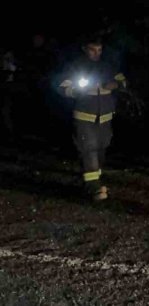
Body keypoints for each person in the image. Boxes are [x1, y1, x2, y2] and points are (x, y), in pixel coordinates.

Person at [58, 38, 127, 201]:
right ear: (84, 49)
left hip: (105, 116)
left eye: (99, 50)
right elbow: (61, 87)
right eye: (92, 50)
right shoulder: (75, 66)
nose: (96, 53)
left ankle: (91, 181)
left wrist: (115, 85)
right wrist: (76, 92)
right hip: (84, 114)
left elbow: (123, 81)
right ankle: (93, 186)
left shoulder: (108, 66)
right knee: (88, 148)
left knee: (101, 147)